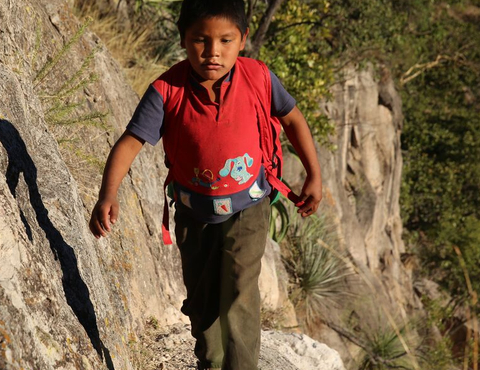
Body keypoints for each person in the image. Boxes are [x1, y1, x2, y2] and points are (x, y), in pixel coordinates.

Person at [88, 0, 322, 368]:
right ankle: (211, 362)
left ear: (242, 39)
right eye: (200, 40)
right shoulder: (167, 90)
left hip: (249, 208)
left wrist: (314, 174)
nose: (213, 52)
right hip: (194, 217)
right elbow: (130, 142)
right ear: (183, 39)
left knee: (240, 289)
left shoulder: (258, 77)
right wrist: (108, 194)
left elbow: (292, 119)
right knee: (202, 303)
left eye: (225, 40)